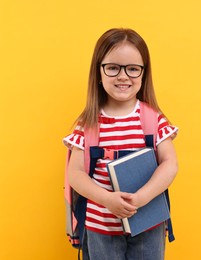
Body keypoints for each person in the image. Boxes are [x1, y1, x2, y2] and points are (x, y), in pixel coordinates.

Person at [63, 28, 178, 260]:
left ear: (144, 74)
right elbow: (75, 174)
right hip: (101, 227)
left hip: (147, 223)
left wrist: (143, 197)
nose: (123, 76)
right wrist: (107, 199)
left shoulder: (153, 119)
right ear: (99, 72)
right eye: (113, 68)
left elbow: (170, 164)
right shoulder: (88, 124)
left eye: (133, 69)